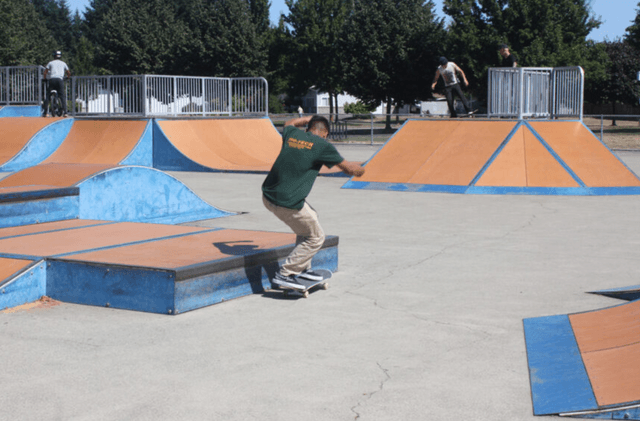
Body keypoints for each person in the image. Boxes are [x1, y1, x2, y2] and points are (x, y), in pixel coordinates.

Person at [262, 115, 365, 291]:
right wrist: (361, 170)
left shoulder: (292, 134)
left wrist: (307, 118)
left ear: (308, 127)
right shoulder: (323, 145)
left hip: (268, 195)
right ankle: (285, 274)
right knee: (316, 238)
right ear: (324, 133)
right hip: (288, 202)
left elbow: (289, 122)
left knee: (311, 218)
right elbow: (350, 169)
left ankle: (300, 269)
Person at [43, 50, 71, 117]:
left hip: (52, 80)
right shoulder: (63, 63)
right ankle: (65, 112)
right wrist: (68, 77)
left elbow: (45, 72)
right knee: (62, 96)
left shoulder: (50, 63)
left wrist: (45, 79)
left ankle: (45, 112)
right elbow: (68, 73)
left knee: (48, 96)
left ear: (54, 56)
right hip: (59, 80)